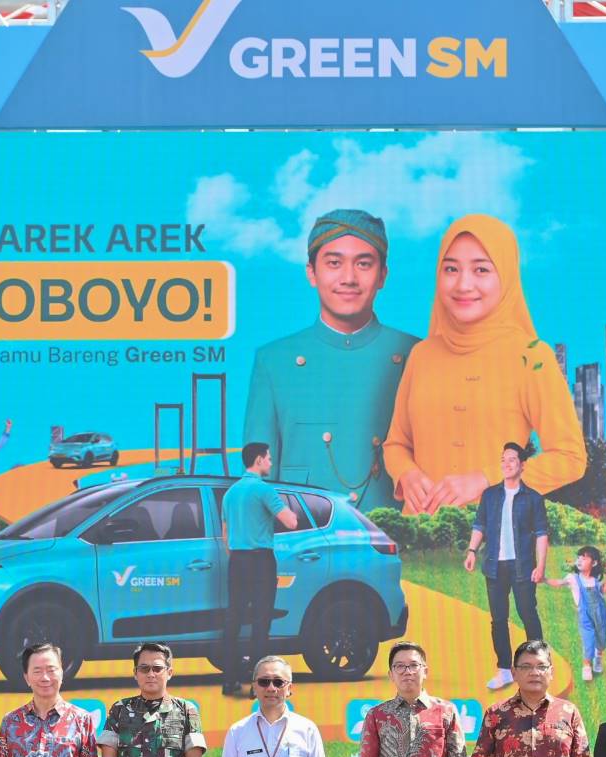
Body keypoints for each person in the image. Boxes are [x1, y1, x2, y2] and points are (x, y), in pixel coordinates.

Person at [382, 213, 587, 516]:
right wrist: (407, 475)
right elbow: (396, 444)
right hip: (419, 536)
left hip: (498, 537)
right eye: (451, 269)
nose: (464, 284)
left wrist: (486, 479)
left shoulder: (531, 356)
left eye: (481, 269)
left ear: (506, 276)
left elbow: (570, 457)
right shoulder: (422, 355)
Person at [242, 209, 420, 512]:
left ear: (383, 275)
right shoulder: (274, 361)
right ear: (311, 273)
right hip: (305, 544)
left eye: (363, 264)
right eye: (334, 263)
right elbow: (258, 476)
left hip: (399, 541)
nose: (348, 278)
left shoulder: (418, 355)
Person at [464, 442, 549, 692]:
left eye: (512, 459)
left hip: (523, 566)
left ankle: (539, 666)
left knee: (527, 613)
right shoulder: (490, 495)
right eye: (503, 459)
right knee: (498, 619)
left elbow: (542, 534)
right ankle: (504, 670)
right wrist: (471, 550)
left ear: (522, 465)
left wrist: (540, 566)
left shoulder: (533, 498)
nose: (506, 464)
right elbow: (480, 525)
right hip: (494, 566)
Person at [220, 442, 298, 699]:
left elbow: (225, 536)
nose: (271, 462)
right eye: (269, 458)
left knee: (233, 619)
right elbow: (291, 520)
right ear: (258, 460)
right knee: (261, 620)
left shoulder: (230, 494)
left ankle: (229, 680)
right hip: (261, 561)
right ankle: (260, 685)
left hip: (238, 561)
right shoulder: (264, 490)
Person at [548, 546, 606, 683]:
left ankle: (598, 657)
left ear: (593, 563)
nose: (580, 560)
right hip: (585, 616)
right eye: (578, 558)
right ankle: (586, 666)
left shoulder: (595, 580)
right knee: (588, 640)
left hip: (600, 614)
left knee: (601, 639)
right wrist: (544, 579)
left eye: (584, 558)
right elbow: (558, 583)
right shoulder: (573, 578)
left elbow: (604, 591)